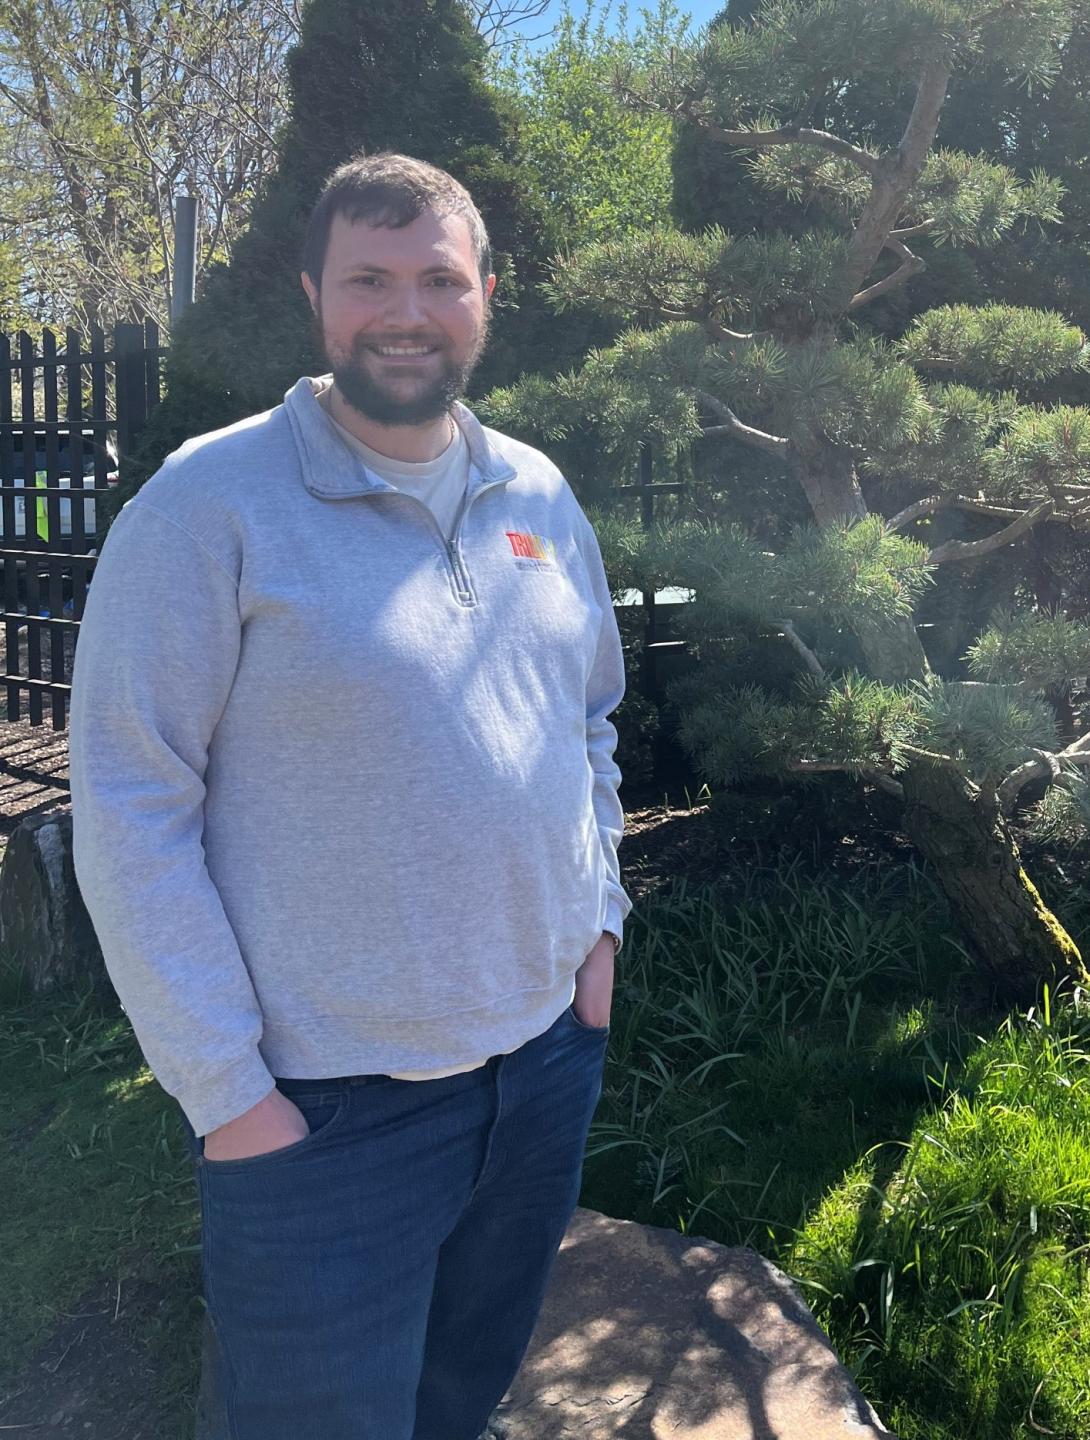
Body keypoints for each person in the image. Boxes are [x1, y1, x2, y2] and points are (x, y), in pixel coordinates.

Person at [67, 151, 631, 1440]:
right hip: (322, 1120)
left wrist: (600, 931)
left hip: (542, 1065)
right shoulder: (207, 507)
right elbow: (128, 802)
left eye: (439, 277)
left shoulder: (537, 493)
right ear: (315, 294)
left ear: (487, 293)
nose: (407, 310)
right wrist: (232, 1098)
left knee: (457, 1399)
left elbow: (587, 715)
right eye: (370, 278)